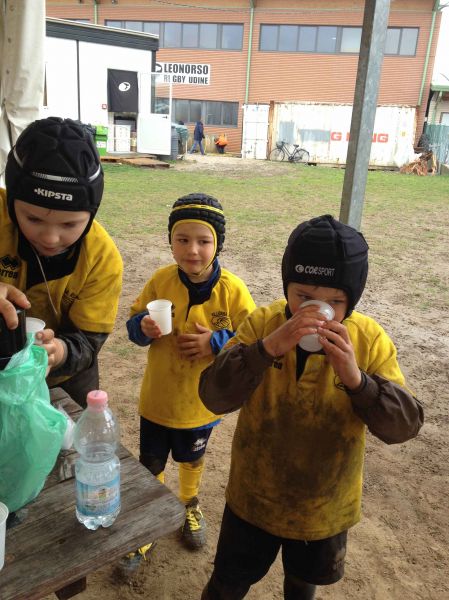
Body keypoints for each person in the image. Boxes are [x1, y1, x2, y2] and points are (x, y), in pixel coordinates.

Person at [199, 214, 424, 600]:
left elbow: (403, 426)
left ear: (352, 300)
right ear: (287, 286)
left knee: (302, 587)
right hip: (254, 496)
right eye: (302, 296)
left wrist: (358, 381)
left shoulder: (368, 340)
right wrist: (266, 349)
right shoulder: (263, 323)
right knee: (228, 583)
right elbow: (214, 395)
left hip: (323, 506)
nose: (317, 309)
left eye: (335, 302)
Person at [125, 193, 256, 561]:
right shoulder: (160, 281)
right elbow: (132, 326)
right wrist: (143, 327)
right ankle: (152, 517)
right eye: (182, 240)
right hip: (158, 399)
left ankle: (187, 505)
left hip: (200, 403)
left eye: (204, 241)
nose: (193, 250)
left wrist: (216, 342)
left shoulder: (232, 290)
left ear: (218, 244)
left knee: (190, 458)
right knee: (151, 461)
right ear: (170, 241)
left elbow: (252, 338)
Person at [0, 116, 123, 407]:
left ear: (90, 215)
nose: (51, 238)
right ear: (10, 201)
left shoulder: (102, 259)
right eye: (33, 218)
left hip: (65, 380)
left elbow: (89, 340)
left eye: (69, 225)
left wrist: (61, 351)